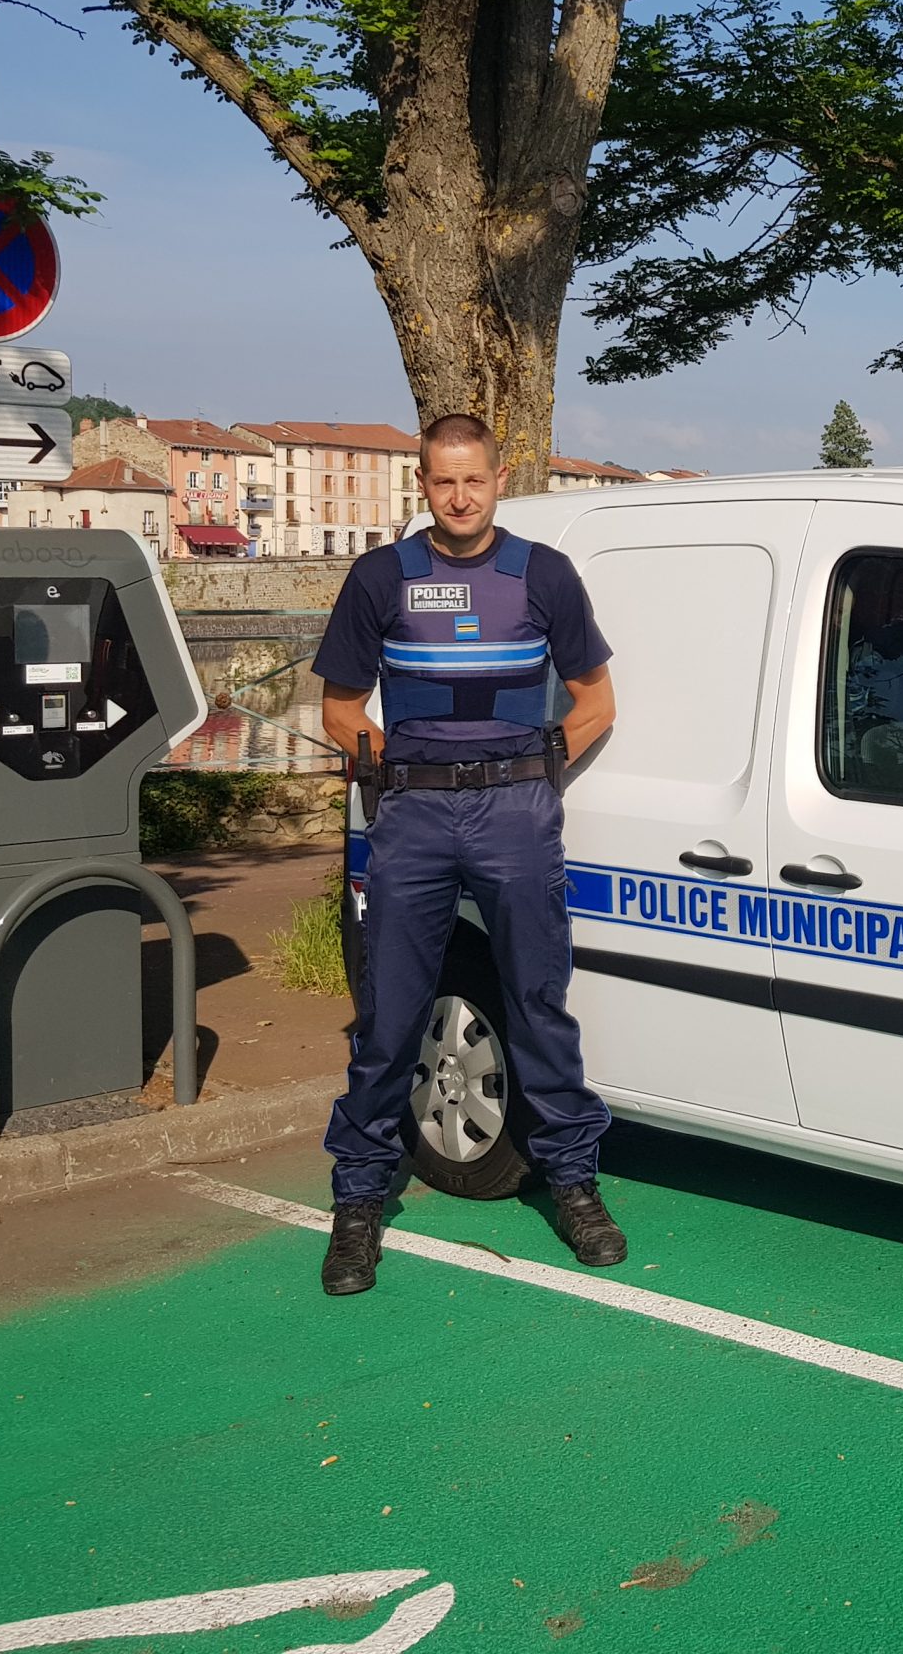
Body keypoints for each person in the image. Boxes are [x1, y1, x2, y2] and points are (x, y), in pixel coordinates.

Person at [310, 413, 622, 1294]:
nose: (459, 497)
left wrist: (534, 774)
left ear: (498, 477)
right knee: (391, 1013)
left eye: (474, 481)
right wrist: (389, 775)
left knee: (537, 1002)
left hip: (517, 813)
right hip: (411, 816)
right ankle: (360, 1201)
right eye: (443, 483)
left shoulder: (543, 576)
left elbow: (596, 701)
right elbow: (341, 711)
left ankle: (572, 1182)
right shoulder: (382, 578)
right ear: (424, 485)